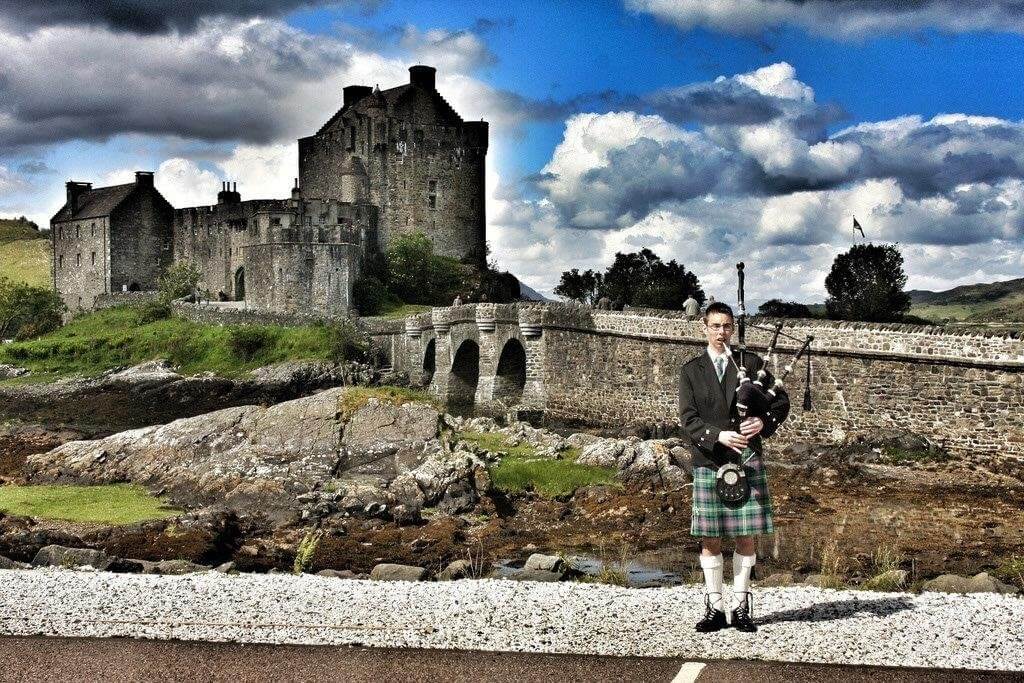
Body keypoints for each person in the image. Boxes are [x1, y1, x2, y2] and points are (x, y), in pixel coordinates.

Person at [678, 301, 790, 633]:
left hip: (747, 459)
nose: (722, 332)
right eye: (715, 326)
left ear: (733, 329)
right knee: (710, 539)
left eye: (727, 326)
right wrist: (719, 436)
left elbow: (781, 401)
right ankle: (715, 609)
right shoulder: (691, 370)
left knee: (746, 536)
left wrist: (762, 421)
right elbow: (688, 420)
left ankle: (741, 608)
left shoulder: (751, 364)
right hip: (710, 460)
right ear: (704, 327)